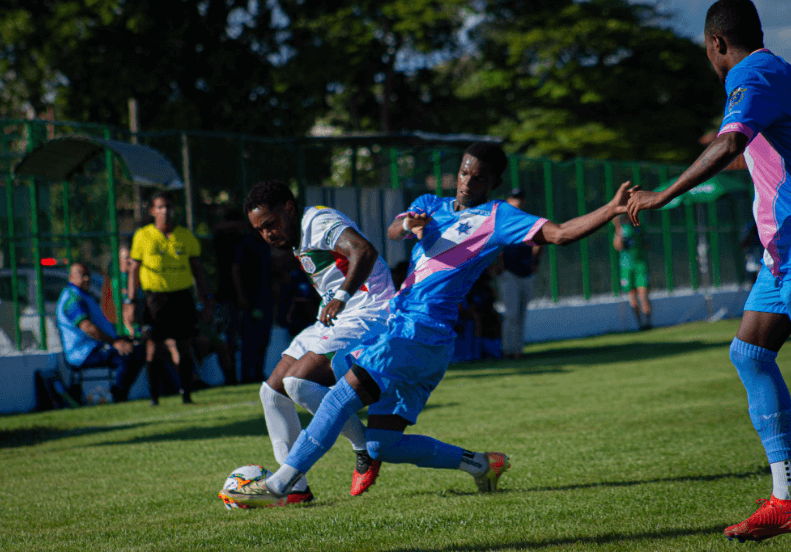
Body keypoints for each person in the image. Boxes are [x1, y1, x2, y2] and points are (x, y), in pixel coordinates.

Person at [220, 142, 634, 507]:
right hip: (411, 334)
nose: (467, 182)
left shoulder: (498, 217)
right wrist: (410, 225)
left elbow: (560, 233)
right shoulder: (432, 204)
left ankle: (281, 484)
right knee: (384, 443)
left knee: (335, 399)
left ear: (494, 182)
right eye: (463, 173)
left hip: (417, 332)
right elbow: (393, 228)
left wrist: (610, 210)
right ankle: (481, 464)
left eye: (479, 177)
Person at [626, 0, 791, 542]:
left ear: (716, 44)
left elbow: (730, 142)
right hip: (781, 254)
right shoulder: (771, 73)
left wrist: (664, 194)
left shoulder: (754, 72)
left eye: (706, 50)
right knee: (749, 352)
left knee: (751, 353)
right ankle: (785, 497)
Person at [238, 180, 396, 504]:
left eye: (271, 224)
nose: (267, 234)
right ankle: (296, 489)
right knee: (272, 392)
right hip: (339, 314)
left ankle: (364, 446)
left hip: (371, 309)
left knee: (298, 382)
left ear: (289, 208)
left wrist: (340, 296)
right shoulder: (296, 237)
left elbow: (364, 251)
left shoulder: (318, 222)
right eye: (260, 230)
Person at [123, 191, 212, 406]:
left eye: (169, 207)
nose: (166, 211)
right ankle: (154, 397)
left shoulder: (184, 235)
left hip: (181, 297)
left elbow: (197, 269)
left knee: (184, 345)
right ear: (153, 211)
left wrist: (205, 297)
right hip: (155, 299)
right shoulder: (143, 236)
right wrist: (131, 301)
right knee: (153, 346)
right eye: (161, 207)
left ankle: (187, 394)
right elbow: (134, 269)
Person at [57, 262, 145, 403]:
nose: (86, 279)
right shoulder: (73, 298)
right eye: (82, 275)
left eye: (88, 275)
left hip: (95, 347)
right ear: (71, 277)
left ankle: (118, 393)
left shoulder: (82, 294)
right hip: (84, 353)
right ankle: (118, 396)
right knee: (128, 355)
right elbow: (88, 328)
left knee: (138, 350)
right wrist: (115, 343)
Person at [495, 188, 543, 358]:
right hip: (509, 272)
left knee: (521, 314)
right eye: (514, 198)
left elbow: (539, 241)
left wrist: (535, 261)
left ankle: (518, 350)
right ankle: (507, 349)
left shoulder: (528, 220)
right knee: (511, 314)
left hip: (526, 271)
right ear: (509, 200)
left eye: (520, 198)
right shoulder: (503, 220)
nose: (518, 201)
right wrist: (499, 265)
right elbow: (497, 244)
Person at [231, 228, 275, 384]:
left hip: (266, 298)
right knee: (249, 339)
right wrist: (241, 296)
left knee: (263, 338)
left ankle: (258, 372)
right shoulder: (246, 243)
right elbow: (235, 269)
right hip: (250, 299)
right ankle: (245, 375)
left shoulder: (267, 244)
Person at [613, 215, 652, 330]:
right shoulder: (621, 230)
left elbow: (647, 244)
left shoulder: (639, 227)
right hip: (626, 267)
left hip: (640, 265)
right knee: (632, 297)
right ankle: (640, 324)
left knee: (643, 295)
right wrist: (617, 227)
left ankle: (648, 322)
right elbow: (618, 247)